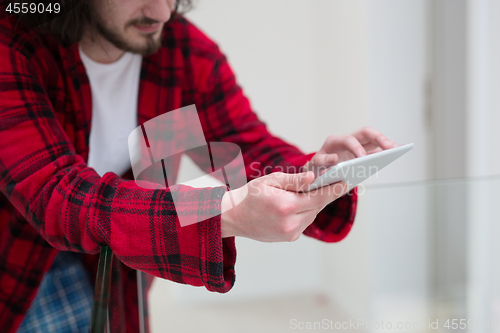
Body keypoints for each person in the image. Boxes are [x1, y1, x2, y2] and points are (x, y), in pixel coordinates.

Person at [0, 0, 397, 332]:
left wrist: (312, 170)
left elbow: (245, 144)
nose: (161, 10)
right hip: (13, 260)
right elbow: (61, 196)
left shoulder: (181, 48)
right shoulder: (14, 43)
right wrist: (221, 211)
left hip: (112, 271)